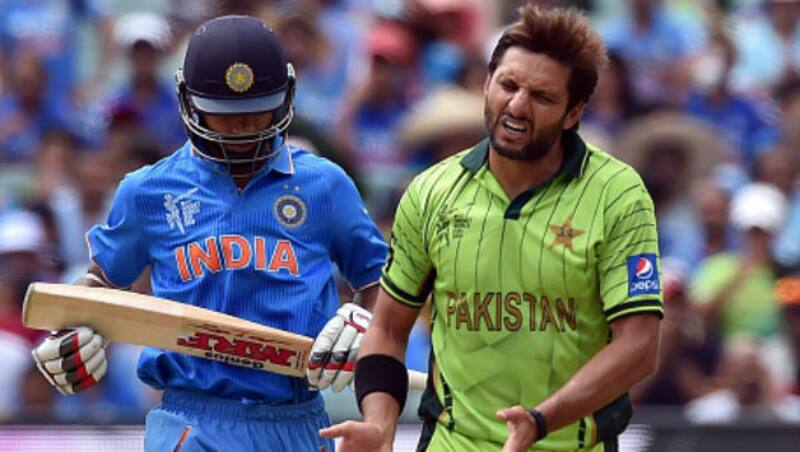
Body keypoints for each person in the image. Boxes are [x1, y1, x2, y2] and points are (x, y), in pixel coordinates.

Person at [29, 15, 387, 452]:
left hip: (296, 420)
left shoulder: (324, 185)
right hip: (191, 418)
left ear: (286, 98)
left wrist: (364, 316)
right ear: (188, 102)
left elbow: (380, 281)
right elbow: (102, 282)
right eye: (224, 118)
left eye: (256, 115)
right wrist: (74, 331)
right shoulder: (148, 190)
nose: (240, 132)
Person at [322, 5, 663, 452]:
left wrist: (540, 422)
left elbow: (640, 347)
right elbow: (387, 331)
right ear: (486, 84)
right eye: (508, 85)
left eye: (542, 97)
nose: (518, 105)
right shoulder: (431, 192)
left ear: (573, 112)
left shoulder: (618, 194)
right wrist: (378, 425)